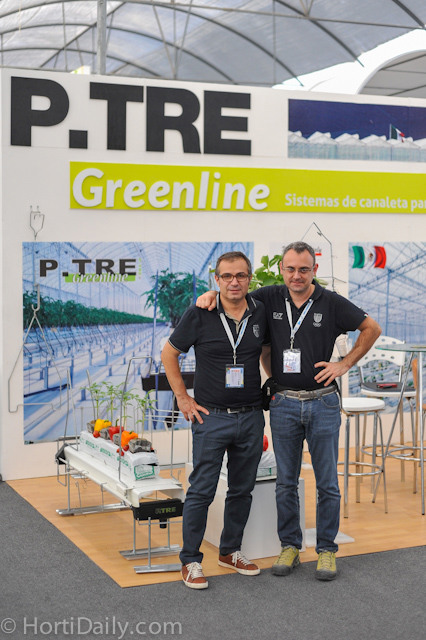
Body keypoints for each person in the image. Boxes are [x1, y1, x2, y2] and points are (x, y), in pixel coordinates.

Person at [196, 241, 382, 581]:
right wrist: (209, 295)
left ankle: (326, 550)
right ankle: (290, 546)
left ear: (314, 270)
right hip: (283, 404)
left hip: (323, 402)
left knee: (327, 483)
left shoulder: (331, 302)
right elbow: (233, 293)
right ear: (282, 269)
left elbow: (372, 328)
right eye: (291, 269)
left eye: (304, 269)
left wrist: (344, 364)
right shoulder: (268, 297)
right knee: (285, 482)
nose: (297, 275)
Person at [161, 251, 268, 589]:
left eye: (241, 275)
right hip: (211, 418)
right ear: (217, 279)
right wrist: (183, 398)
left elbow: (266, 351)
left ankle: (230, 551)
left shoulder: (261, 311)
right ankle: (190, 560)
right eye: (227, 276)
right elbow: (169, 353)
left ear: (249, 278)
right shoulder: (200, 313)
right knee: (202, 491)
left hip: (251, 416)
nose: (234, 282)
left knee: (242, 490)